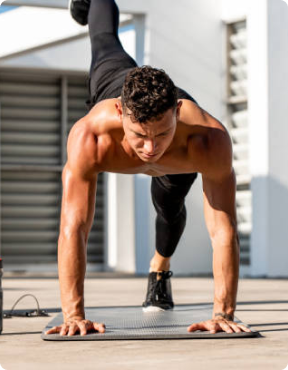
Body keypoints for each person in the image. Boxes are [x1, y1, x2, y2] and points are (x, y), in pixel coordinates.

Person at [46, 0, 252, 337]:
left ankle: (160, 268)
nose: (151, 149)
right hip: (113, 80)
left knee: (170, 211)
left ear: (178, 112)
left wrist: (223, 312)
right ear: (119, 113)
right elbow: (74, 226)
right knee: (104, 43)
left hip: (180, 154)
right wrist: (73, 315)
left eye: (162, 134)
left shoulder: (206, 140)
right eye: (140, 135)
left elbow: (223, 229)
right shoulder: (91, 136)